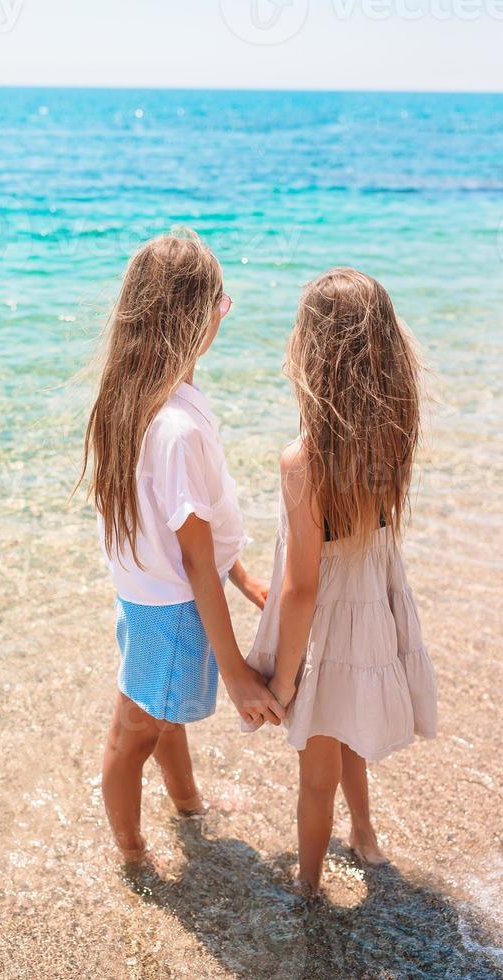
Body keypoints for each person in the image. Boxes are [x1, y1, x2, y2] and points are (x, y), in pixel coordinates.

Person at [77, 231, 285, 865]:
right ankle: (133, 856)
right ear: (197, 317)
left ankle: (188, 803)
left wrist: (246, 581)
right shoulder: (175, 427)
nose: (227, 312)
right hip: (171, 611)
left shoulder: (139, 403)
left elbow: (194, 531)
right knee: (135, 731)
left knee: (158, 717)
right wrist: (237, 672)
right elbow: (194, 556)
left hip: (149, 600)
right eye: (223, 302)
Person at [245, 267, 438, 898]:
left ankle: (306, 887)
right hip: (372, 613)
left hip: (326, 630)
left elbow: (303, 587)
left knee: (315, 773)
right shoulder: (391, 434)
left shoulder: (304, 461)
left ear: (310, 352)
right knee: (348, 728)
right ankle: (365, 838)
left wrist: (281, 676)